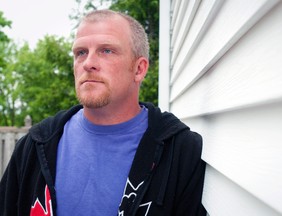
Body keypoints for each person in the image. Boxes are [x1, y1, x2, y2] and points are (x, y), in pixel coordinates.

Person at [0, 9, 206, 216]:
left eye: (106, 50)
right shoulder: (36, 146)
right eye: (80, 52)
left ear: (139, 69)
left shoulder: (179, 151)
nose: (88, 63)